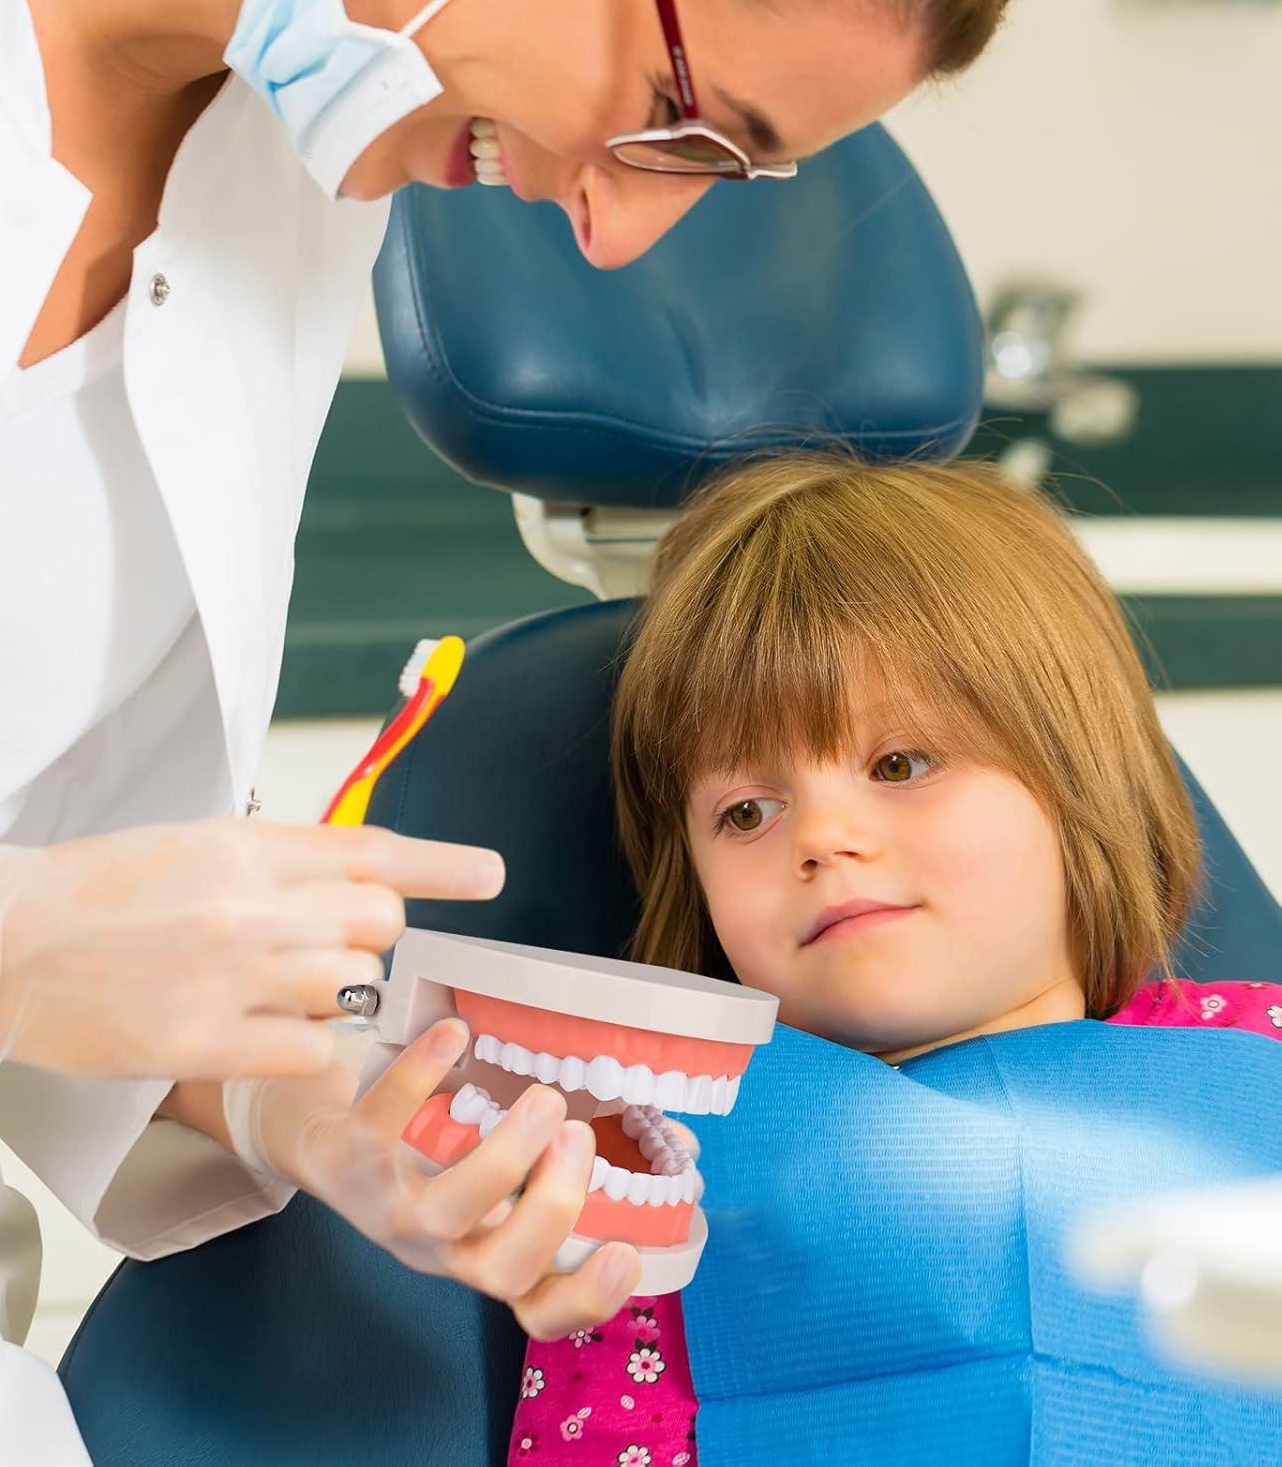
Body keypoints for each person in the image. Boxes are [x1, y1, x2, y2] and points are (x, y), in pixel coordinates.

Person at [0, 0, 1025, 1457]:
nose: (616, 231)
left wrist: (317, 1115)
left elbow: (56, 860)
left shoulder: (289, 195)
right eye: (672, 120)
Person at [510, 458, 1282, 1463]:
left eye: (899, 765)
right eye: (747, 812)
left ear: (1076, 780)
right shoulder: (647, 1181)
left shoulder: (1262, 1052)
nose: (822, 838)